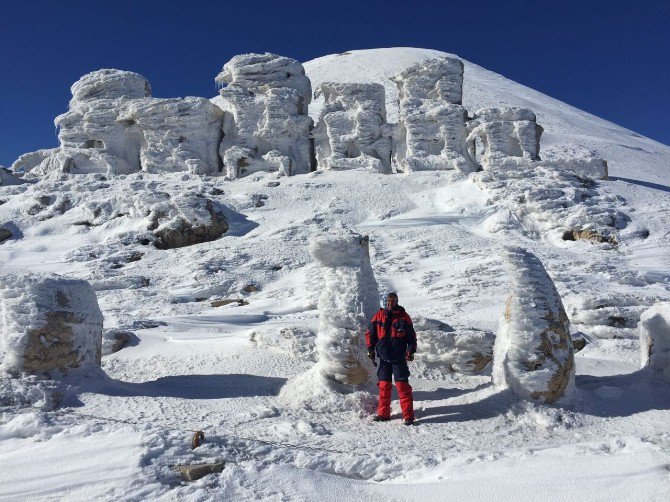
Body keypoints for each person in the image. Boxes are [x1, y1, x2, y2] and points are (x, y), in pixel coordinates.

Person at [365, 292, 416, 425]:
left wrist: (411, 351)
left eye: (392, 301)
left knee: (402, 387)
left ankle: (408, 416)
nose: (390, 303)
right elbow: (370, 333)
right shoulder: (379, 316)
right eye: (388, 301)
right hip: (383, 359)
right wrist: (370, 349)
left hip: (399, 359)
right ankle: (383, 414)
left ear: (397, 301)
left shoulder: (404, 317)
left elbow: (411, 336)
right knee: (384, 387)